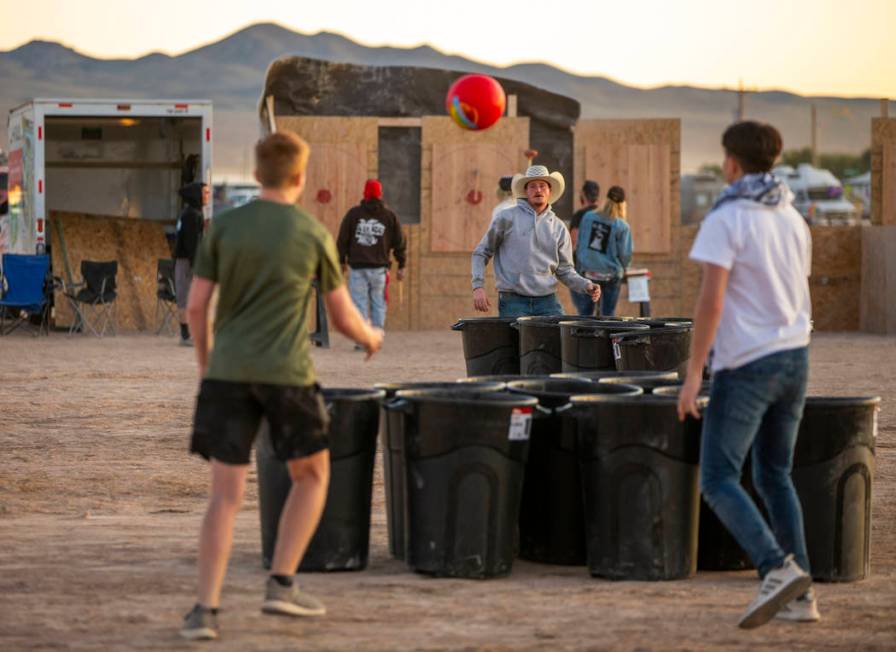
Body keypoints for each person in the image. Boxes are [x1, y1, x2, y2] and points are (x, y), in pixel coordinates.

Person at [180, 132, 384, 641]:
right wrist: (371, 337)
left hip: (227, 373)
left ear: (255, 175)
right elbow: (341, 318)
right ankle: (281, 584)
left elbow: (196, 308)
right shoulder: (311, 233)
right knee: (313, 475)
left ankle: (205, 612)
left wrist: (208, 368)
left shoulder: (224, 228)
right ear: (299, 177)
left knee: (224, 496)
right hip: (288, 375)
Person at [677, 121, 816, 629]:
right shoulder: (792, 217)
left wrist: (693, 376)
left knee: (717, 477)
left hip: (748, 364)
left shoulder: (728, 217)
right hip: (794, 357)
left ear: (730, 163)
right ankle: (802, 594)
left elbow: (711, 301)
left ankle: (775, 568)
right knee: (775, 475)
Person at [471, 165, 600, 318]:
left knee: (558, 340)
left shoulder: (559, 227)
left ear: (550, 191)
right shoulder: (506, 218)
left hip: (548, 301)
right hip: (513, 300)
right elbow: (481, 253)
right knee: (516, 342)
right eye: (532, 186)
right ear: (526, 191)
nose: (538, 190)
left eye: (542, 186)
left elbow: (565, 270)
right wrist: (478, 286)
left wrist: (586, 285)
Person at [337, 179, 407, 342]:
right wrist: (401, 265)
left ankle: (363, 340)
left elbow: (342, 240)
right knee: (378, 303)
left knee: (359, 304)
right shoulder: (389, 216)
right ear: (380, 194)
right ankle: (376, 337)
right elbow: (400, 242)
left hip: (357, 267)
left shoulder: (353, 214)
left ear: (365, 194)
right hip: (380, 269)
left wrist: (341, 261)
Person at [574, 186, 633, 317]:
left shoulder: (588, 217)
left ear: (605, 200)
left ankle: (583, 337)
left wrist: (581, 266)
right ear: (623, 205)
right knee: (608, 315)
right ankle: (606, 337)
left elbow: (580, 245)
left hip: (588, 272)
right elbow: (625, 255)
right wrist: (625, 268)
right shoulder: (622, 226)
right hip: (610, 275)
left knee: (585, 316)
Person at [173, 181, 208, 346]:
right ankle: (185, 335)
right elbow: (192, 244)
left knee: (187, 297)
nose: (207, 196)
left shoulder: (191, 213)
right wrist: (196, 266)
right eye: (205, 193)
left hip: (188, 260)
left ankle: (189, 333)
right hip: (187, 261)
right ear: (197, 195)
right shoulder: (192, 215)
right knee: (184, 297)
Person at [568, 180, 601, 316]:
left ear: (583, 195)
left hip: (582, 268)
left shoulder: (580, 215)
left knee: (585, 312)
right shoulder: (604, 215)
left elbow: (573, 241)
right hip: (602, 268)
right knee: (604, 313)